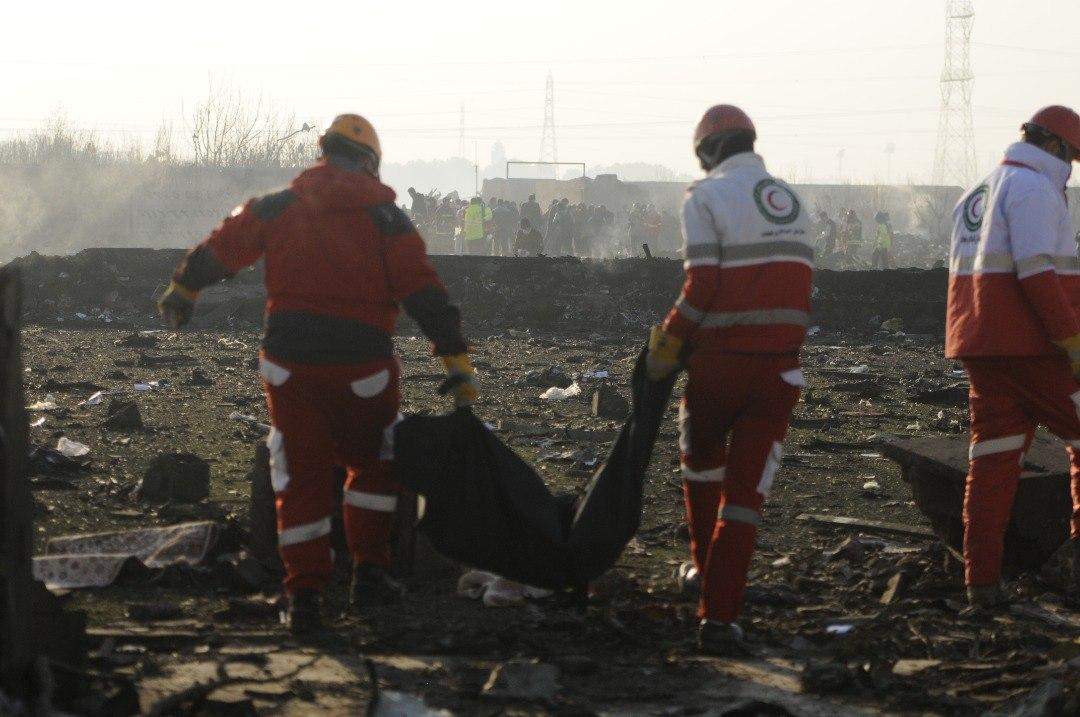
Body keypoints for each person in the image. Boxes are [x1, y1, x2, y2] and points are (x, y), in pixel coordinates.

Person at [157, 114, 476, 633]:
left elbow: (225, 244)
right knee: (373, 469)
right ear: (371, 163)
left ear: (323, 152)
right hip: (363, 369)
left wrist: (185, 287)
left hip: (290, 367)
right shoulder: (387, 219)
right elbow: (425, 293)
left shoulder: (280, 205)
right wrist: (456, 361)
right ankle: (370, 574)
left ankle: (304, 594)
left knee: (298, 474)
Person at [644, 104, 813, 653]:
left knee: (700, 471)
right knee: (744, 502)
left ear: (707, 152)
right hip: (780, 373)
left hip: (718, 368)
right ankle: (719, 616)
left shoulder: (705, 197)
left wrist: (667, 345)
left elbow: (701, 287)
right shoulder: (791, 201)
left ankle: (702, 571)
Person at [945, 105, 1080, 607]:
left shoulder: (975, 193)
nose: (1070, 170)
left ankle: (981, 584)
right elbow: (1036, 274)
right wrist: (1072, 344)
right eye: (1072, 158)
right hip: (1037, 350)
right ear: (1056, 148)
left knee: (993, 463)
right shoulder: (1035, 189)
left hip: (983, 350)